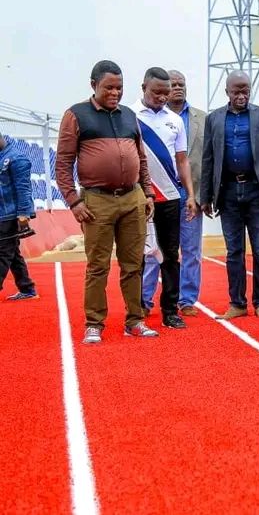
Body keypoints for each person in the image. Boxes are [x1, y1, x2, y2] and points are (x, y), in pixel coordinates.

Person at [55, 60, 157, 343]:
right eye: (108, 87)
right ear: (93, 86)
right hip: (97, 201)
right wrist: (74, 202)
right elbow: (63, 163)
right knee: (98, 265)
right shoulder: (76, 115)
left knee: (134, 264)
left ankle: (135, 320)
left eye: (119, 87)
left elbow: (142, 158)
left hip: (133, 199)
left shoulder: (128, 115)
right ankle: (94, 323)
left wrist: (147, 192)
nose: (115, 92)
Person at [200, 71, 259, 320]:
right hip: (227, 193)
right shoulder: (213, 119)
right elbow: (208, 158)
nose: (241, 95)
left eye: (245, 90)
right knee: (233, 251)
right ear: (227, 92)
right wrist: (206, 196)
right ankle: (237, 303)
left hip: (257, 193)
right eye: (236, 91)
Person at [131, 67, 197, 330]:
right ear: (144, 87)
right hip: (139, 197)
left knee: (171, 255)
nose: (161, 97)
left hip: (170, 196)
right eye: (156, 92)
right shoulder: (129, 116)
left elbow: (182, 160)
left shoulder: (175, 120)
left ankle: (170, 310)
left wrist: (190, 195)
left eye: (165, 93)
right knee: (138, 255)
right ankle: (136, 307)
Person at [141, 70, 207, 317]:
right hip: (156, 194)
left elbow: (206, 158)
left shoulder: (202, 118)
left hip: (190, 194)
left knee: (191, 250)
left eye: (181, 84)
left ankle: (187, 299)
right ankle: (145, 300)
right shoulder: (141, 117)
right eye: (173, 85)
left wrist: (200, 195)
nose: (177, 88)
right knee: (153, 249)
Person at [0, 132, 37, 301]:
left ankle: (27, 288)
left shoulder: (16, 159)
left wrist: (23, 214)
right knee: (12, 252)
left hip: (10, 215)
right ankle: (27, 288)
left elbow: (24, 189)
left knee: (3, 253)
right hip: (2, 213)